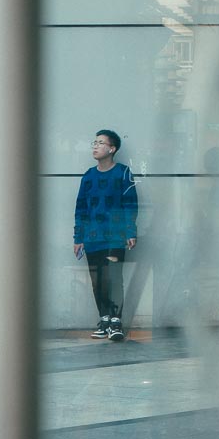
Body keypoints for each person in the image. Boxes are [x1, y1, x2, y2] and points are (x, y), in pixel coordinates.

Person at [74, 130, 137, 341]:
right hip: (92, 238)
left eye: (101, 143)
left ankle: (116, 322)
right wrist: (78, 238)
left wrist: (131, 232)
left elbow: (130, 205)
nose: (95, 146)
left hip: (115, 237)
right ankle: (105, 320)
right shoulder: (88, 176)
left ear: (112, 149)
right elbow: (80, 209)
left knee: (114, 278)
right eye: (94, 142)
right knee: (97, 280)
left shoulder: (123, 173)